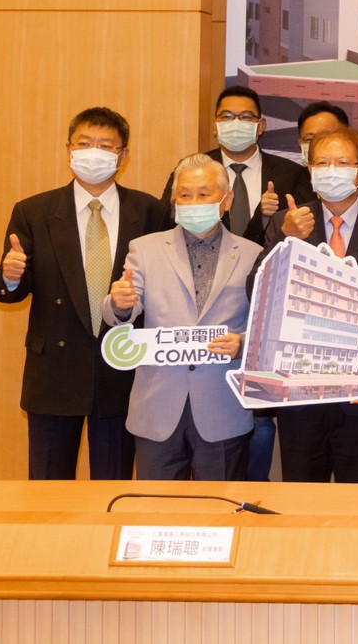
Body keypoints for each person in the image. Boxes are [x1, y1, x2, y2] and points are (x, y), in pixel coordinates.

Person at [0, 107, 169, 480]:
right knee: (47, 492)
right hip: (54, 373)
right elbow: (12, 291)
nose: (93, 153)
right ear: (68, 149)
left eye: (106, 145)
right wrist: (10, 276)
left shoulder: (150, 211)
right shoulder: (34, 211)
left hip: (122, 371)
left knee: (113, 491)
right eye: (84, 143)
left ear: (123, 155)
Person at [263, 126, 358, 483]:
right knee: (301, 499)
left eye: (343, 163)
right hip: (298, 390)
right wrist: (286, 240)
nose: (331, 171)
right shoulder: (286, 221)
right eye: (322, 163)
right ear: (309, 170)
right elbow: (258, 293)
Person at [104, 155, 261, 480]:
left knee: (219, 506)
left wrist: (243, 344)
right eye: (185, 195)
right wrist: (120, 304)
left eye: (203, 194)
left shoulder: (253, 255)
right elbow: (123, 311)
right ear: (174, 200)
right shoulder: (144, 249)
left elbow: (264, 327)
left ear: (227, 200)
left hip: (223, 407)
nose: (193, 203)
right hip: (157, 406)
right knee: (155, 506)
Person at [161, 85, 312, 246]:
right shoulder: (190, 170)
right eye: (227, 116)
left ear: (261, 126)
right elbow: (166, 222)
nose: (236, 123)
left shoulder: (292, 174)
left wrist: (264, 217)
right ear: (215, 126)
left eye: (246, 117)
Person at [296, 100, 358, 205]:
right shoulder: (288, 184)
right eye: (309, 139)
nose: (318, 143)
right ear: (300, 144)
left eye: (327, 136)